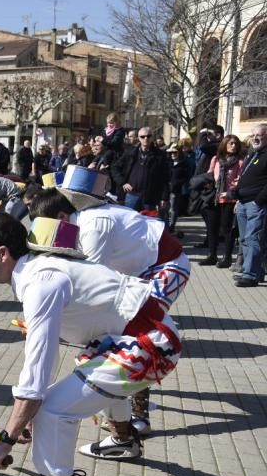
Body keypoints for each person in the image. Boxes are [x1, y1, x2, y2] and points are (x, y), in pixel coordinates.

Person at [0, 214, 181, 476]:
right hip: (126, 341)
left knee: (53, 412)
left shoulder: (40, 283)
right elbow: (43, 362)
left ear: (2, 254)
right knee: (50, 404)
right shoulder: (40, 268)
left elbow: (36, 369)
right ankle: (123, 440)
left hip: (145, 345)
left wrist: (6, 439)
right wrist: (24, 415)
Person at [29, 166, 191, 436]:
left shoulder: (93, 224)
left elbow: (89, 278)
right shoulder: (80, 219)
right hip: (140, 268)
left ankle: (136, 418)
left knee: (137, 335)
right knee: (113, 337)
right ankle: (120, 419)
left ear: (60, 217)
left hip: (166, 266)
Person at [199, 135, 244, 268]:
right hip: (214, 198)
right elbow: (210, 174)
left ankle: (227, 258)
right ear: (224, 144)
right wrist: (208, 183)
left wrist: (233, 189)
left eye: (236, 144)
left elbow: (241, 180)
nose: (233, 146)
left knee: (226, 229)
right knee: (212, 228)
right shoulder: (216, 159)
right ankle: (212, 255)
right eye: (231, 143)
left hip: (230, 199)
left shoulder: (240, 161)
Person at [234, 123, 267, 287]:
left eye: (259, 135)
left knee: (253, 238)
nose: (255, 138)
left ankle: (250, 274)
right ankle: (255, 271)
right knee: (245, 239)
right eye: (253, 135)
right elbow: (244, 177)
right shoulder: (253, 154)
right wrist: (236, 194)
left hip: (256, 204)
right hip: (243, 202)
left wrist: (259, 200)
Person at [112, 126, 170, 213]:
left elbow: (165, 178)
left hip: (150, 197)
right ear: (139, 138)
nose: (145, 139)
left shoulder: (160, 156)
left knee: (148, 224)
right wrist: (123, 183)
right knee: (130, 223)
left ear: (152, 137)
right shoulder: (130, 153)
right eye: (142, 137)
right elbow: (115, 168)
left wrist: (164, 198)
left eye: (148, 136)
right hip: (131, 195)